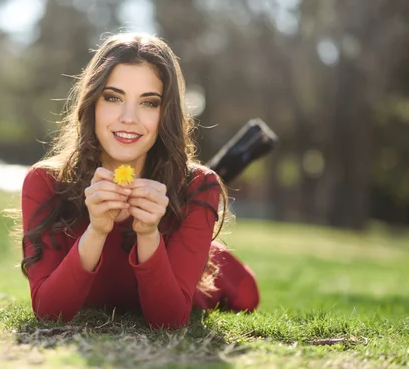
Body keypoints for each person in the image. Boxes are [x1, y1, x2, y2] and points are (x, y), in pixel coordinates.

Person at [20, 33, 259, 330]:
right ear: (92, 102)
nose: (129, 117)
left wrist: (148, 234)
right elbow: (48, 312)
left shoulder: (199, 186)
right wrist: (97, 230)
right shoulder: (45, 182)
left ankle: (208, 256)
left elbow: (169, 321)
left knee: (247, 295)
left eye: (149, 103)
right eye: (113, 97)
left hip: (201, 276)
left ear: (165, 113)